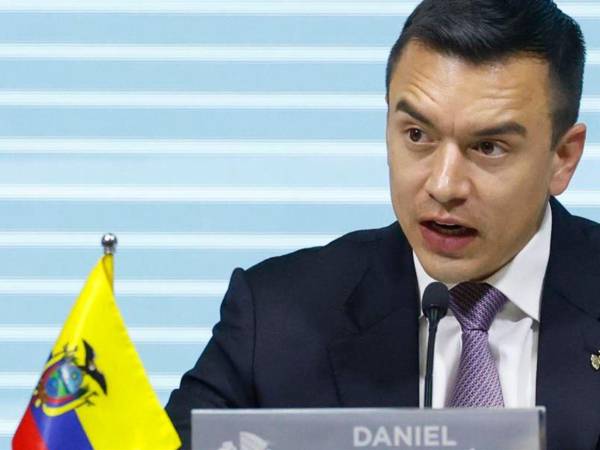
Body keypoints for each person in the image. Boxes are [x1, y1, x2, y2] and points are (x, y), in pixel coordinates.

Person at [166, 1, 600, 449]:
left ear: (562, 159)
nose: (444, 185)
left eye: (488, 147)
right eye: (417, 135)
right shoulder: (277, 316)